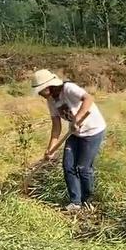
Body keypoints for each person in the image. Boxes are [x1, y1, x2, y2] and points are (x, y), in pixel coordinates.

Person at [32, 69, 106, 212]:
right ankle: (75, 202)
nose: (40, 94)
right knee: (68, 166)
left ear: (48, 87)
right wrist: (51, 149)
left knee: (83, 168)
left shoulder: (68, 88)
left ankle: (87, 201)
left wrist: (77, 118)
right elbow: (56, 126)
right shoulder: (51, 101)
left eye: (40, 90)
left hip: (93, 131)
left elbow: (88, 99)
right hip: (75, 133)